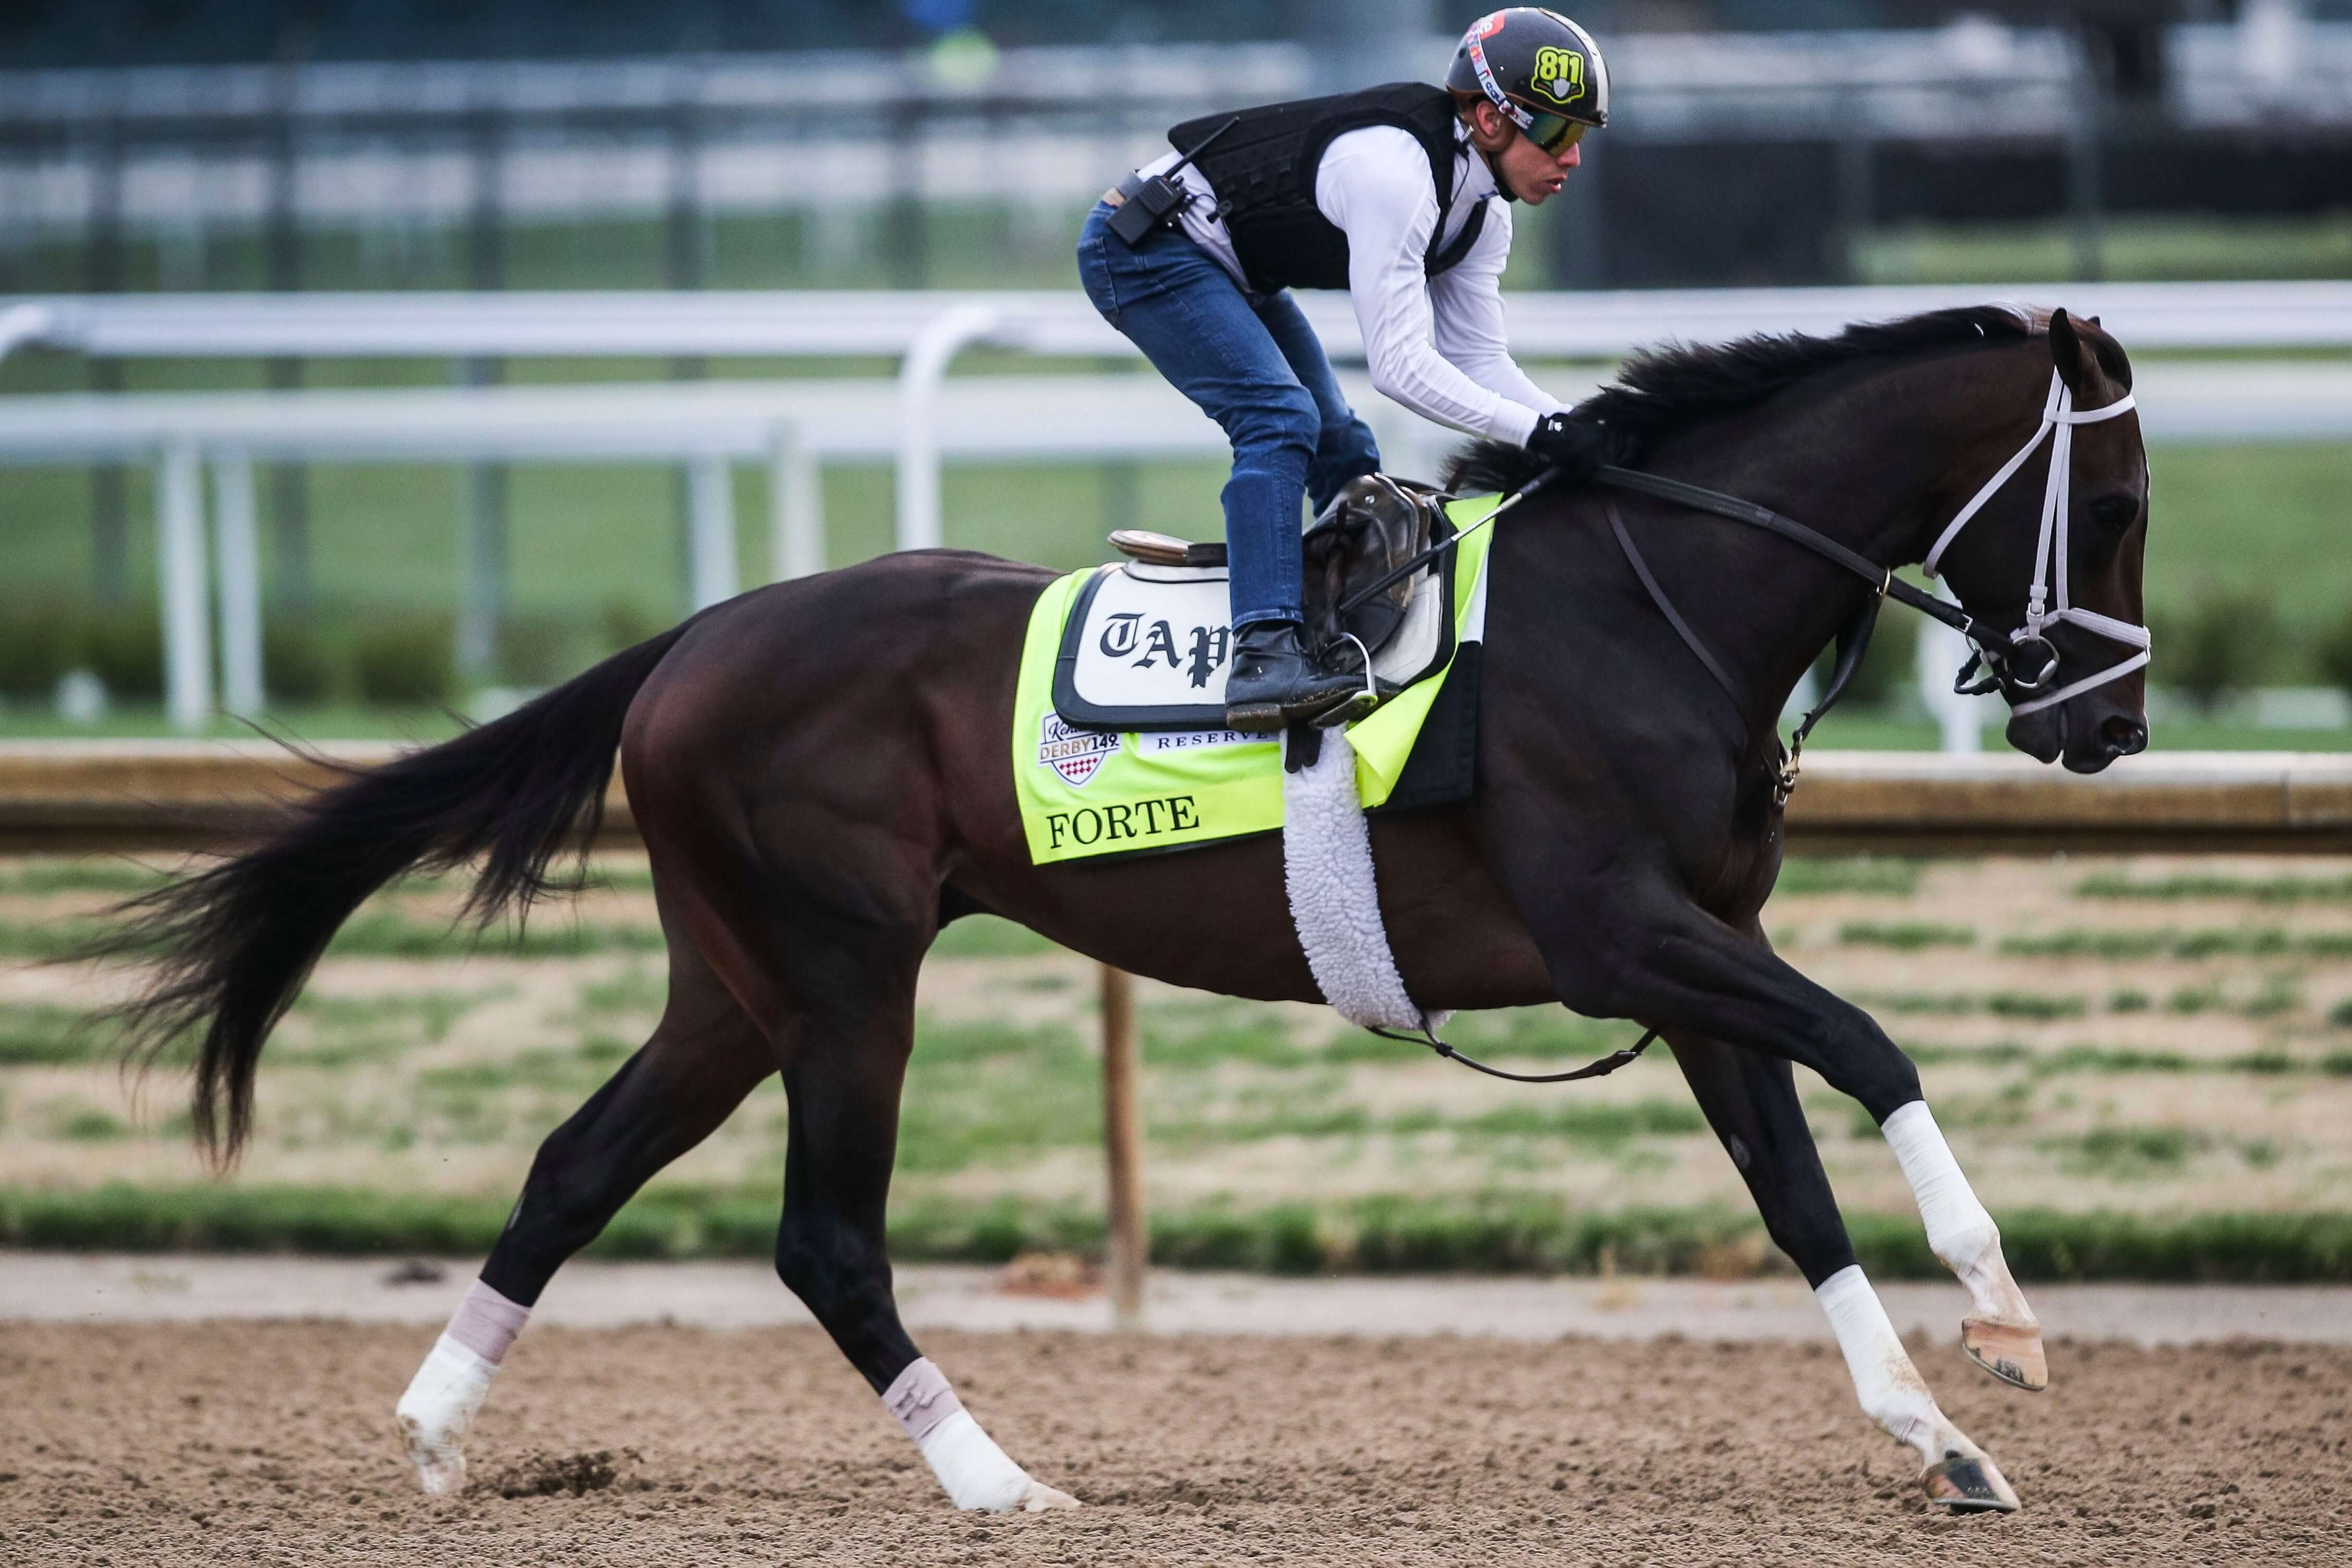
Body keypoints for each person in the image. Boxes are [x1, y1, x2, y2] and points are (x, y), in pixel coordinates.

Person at [1077, 8, 1615, 731]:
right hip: (1143, 248)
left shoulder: (1486, 211)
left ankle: (1345, 622)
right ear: (1490, 119)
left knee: (1345, 450)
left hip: (1228, 262)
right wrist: (1535, 431)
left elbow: (1478, 361)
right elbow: (1398, 366)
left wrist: (1563, 425)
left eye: (1580, 136)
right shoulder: (1397, 174)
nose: (1573, 159)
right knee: (1280, 419)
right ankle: (1264, 655)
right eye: (1557, 132)